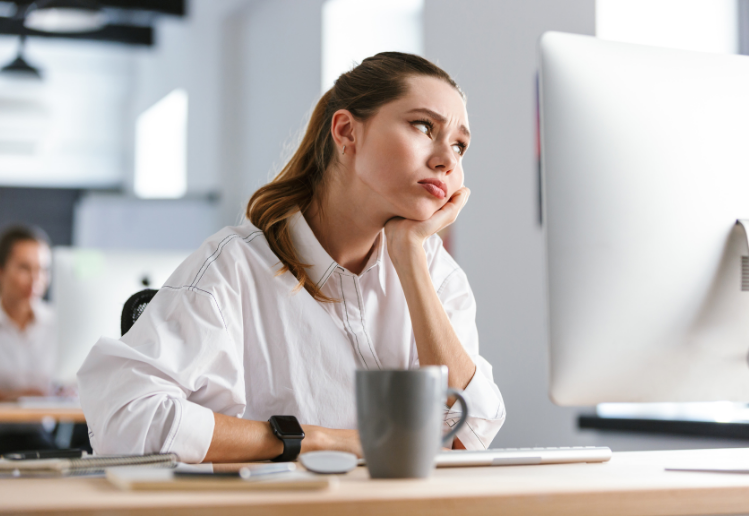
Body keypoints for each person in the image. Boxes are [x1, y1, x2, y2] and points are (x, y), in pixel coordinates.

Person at [78, 52, 506, 463]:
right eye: (423, 126)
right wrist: (314, 439)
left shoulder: (434, 273)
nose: (447, 159)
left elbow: (469, 437)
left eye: (461, 145)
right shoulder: (233, 269)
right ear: (346, 132)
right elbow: (124, 419)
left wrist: (410, 261)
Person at [0, 225, 58, 453]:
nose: (36, 279)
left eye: (43, 269)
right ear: (2, 270)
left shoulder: (58, 324)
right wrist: (20, 396)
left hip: (40, 436)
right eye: (24, 268)